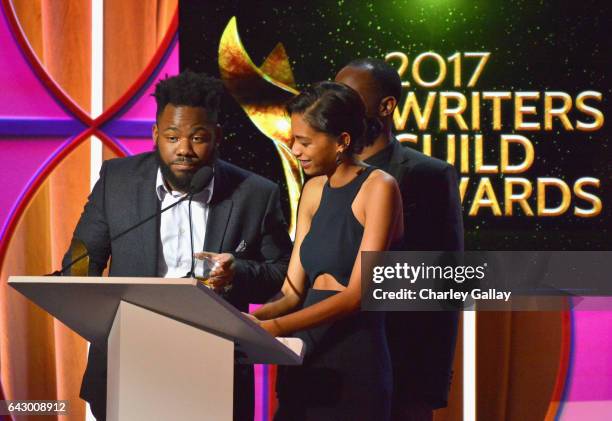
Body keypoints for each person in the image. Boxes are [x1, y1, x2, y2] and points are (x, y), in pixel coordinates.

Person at [62, 71, 293, 421]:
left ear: (217, 137)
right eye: (172, 137)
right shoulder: (118, 181)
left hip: (214, 367)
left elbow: (281, 271)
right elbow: (82, 257)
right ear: (156, 135)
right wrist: (79, 292)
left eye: (198, 138)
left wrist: (237, 273)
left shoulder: (256, 194)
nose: (183, 149)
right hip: (130, 362)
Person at [249, 81, 404, 420]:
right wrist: (246, 321)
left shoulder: (379, 188)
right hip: (304, 350)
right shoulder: (313, 190)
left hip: (354, 356)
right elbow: (291, 292)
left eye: (304, 141)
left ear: (341, 141)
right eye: (294, 139)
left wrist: (276, 328)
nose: (294, 149)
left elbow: (357, 295)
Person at [335, 58, 465, 420]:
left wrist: (430, 385)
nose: (338, 106)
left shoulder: (428, 175)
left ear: (386, 106)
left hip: (399, 371)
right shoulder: (322, 172)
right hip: (325, 366)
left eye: (349, 97)